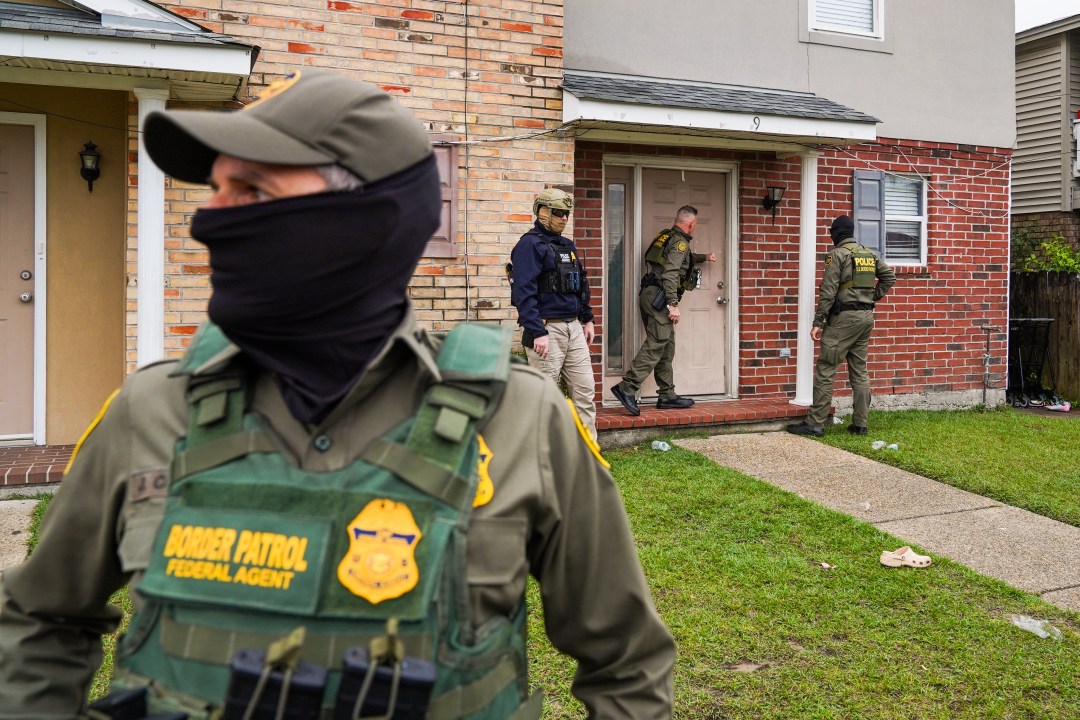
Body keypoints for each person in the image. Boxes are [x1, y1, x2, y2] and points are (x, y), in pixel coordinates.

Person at [0, 69, 674, 720]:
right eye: (216, 189)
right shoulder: (152, 409)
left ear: (369, 220)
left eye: (252, 190)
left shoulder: (520, 418)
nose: (208, 222)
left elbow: (628, 661)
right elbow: (39, 619)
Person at [787, 214, 896, 437]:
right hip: (865, 318)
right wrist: (871, 297)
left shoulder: (836, 255)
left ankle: (815, 423)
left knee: (826, 368)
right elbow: (889, 277)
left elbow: (828, 291)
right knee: (859, 371)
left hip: (843, 319)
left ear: (836, 234)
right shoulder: (868, 254)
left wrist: (818, 322)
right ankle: (860, 424)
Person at [509, 188, 599, 441]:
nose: (564, 218)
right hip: (547, 330)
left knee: (585, 392)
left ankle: (587, 451)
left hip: (573, 328)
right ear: (543, 211)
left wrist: (587, 318)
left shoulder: (566, 245)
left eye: (567, 213)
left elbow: (580, 284)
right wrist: (537, 331)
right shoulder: (529, 245)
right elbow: (523, 293)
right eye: (559, 212)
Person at [611, 205, 715, 416]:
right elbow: (670, 273)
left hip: (650, 293)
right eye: (695, 224)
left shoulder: (666, 236)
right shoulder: (680, 243)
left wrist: (704, 257)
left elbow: (680, 259)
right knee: (657, 343)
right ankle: (627, 387)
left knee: (666, 346)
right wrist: (673, 304)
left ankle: (667, 395)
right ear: (691, 224)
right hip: (660, 298)